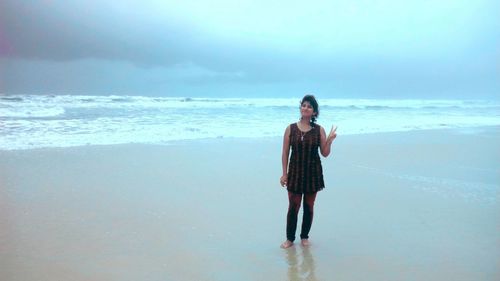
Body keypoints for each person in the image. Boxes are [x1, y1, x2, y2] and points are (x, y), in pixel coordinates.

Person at [280, 94, 337, 248]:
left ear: (314, 112)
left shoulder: (319, 130)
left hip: (313, 173)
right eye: (304, 105)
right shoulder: (290, 128)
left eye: (309, 106)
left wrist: (329, 141)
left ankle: (304, 237)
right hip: (295, 173)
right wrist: (284, 174)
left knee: (309, 206)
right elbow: (285, 152)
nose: (305, 108)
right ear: (300, 108)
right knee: (293, 206)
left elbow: (324, 153)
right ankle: (290, 239)